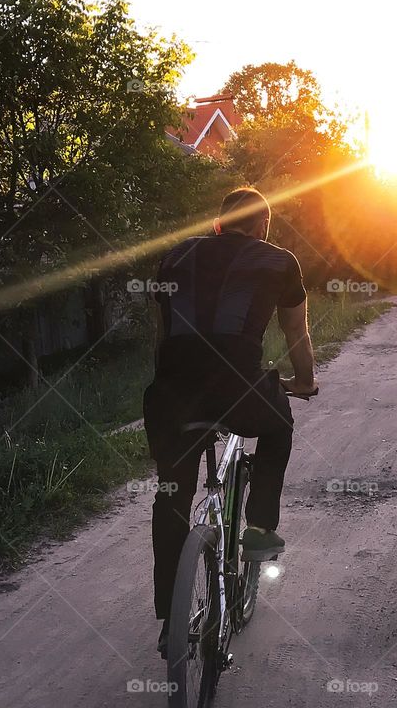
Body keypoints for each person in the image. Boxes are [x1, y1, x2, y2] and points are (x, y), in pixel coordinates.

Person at [143, 186, 318, 657]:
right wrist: (304, 380)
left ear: (218, 223)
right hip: (238, 388)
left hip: (172, 394)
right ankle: (259, 531)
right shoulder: (278, 259)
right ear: (263, 225)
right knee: (278, 427)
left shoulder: (177, 256)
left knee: (171, 494)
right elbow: (295, 330)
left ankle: (170, 621)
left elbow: (164, 337)